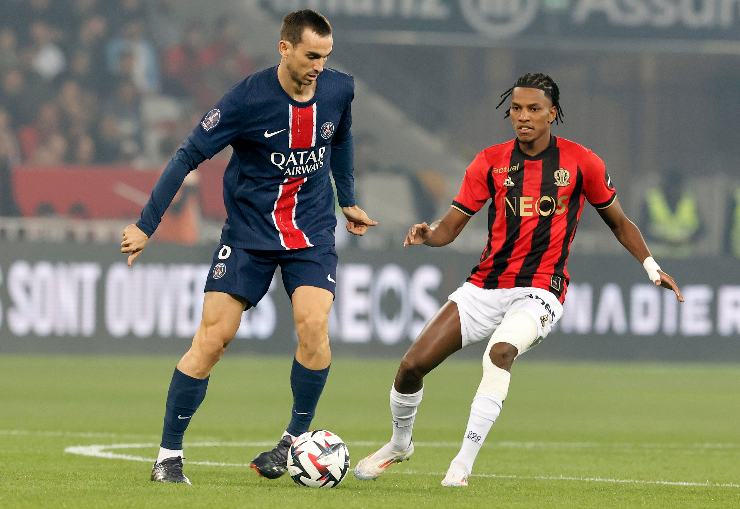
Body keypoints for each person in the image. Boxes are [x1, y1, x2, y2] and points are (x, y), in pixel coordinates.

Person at [353, 73, 683, 487]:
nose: (523, 117)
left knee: (500, 352)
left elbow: (618, 222)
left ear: (552, 114)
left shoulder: (582, 162)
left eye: (533, 109)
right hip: (485, 286)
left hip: (541, 289)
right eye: (516, 109)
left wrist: (652, 267)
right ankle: (400, 444)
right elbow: (452, 226)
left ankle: (461, 466)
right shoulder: (489, 161)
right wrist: (429, 234)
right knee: (410, 367)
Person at [120, 9, 377, 485]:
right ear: (285, 48)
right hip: (249, 235)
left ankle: (291, 442)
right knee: (213, 339)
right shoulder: (245, 100)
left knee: (314, 325)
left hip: (312, 231)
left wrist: (350, 200)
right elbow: (186, 156)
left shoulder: (340, 89)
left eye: (326, 56)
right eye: (311, 55)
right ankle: (168, 457)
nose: (320, 66)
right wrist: (147, 225)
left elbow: (341, 138)